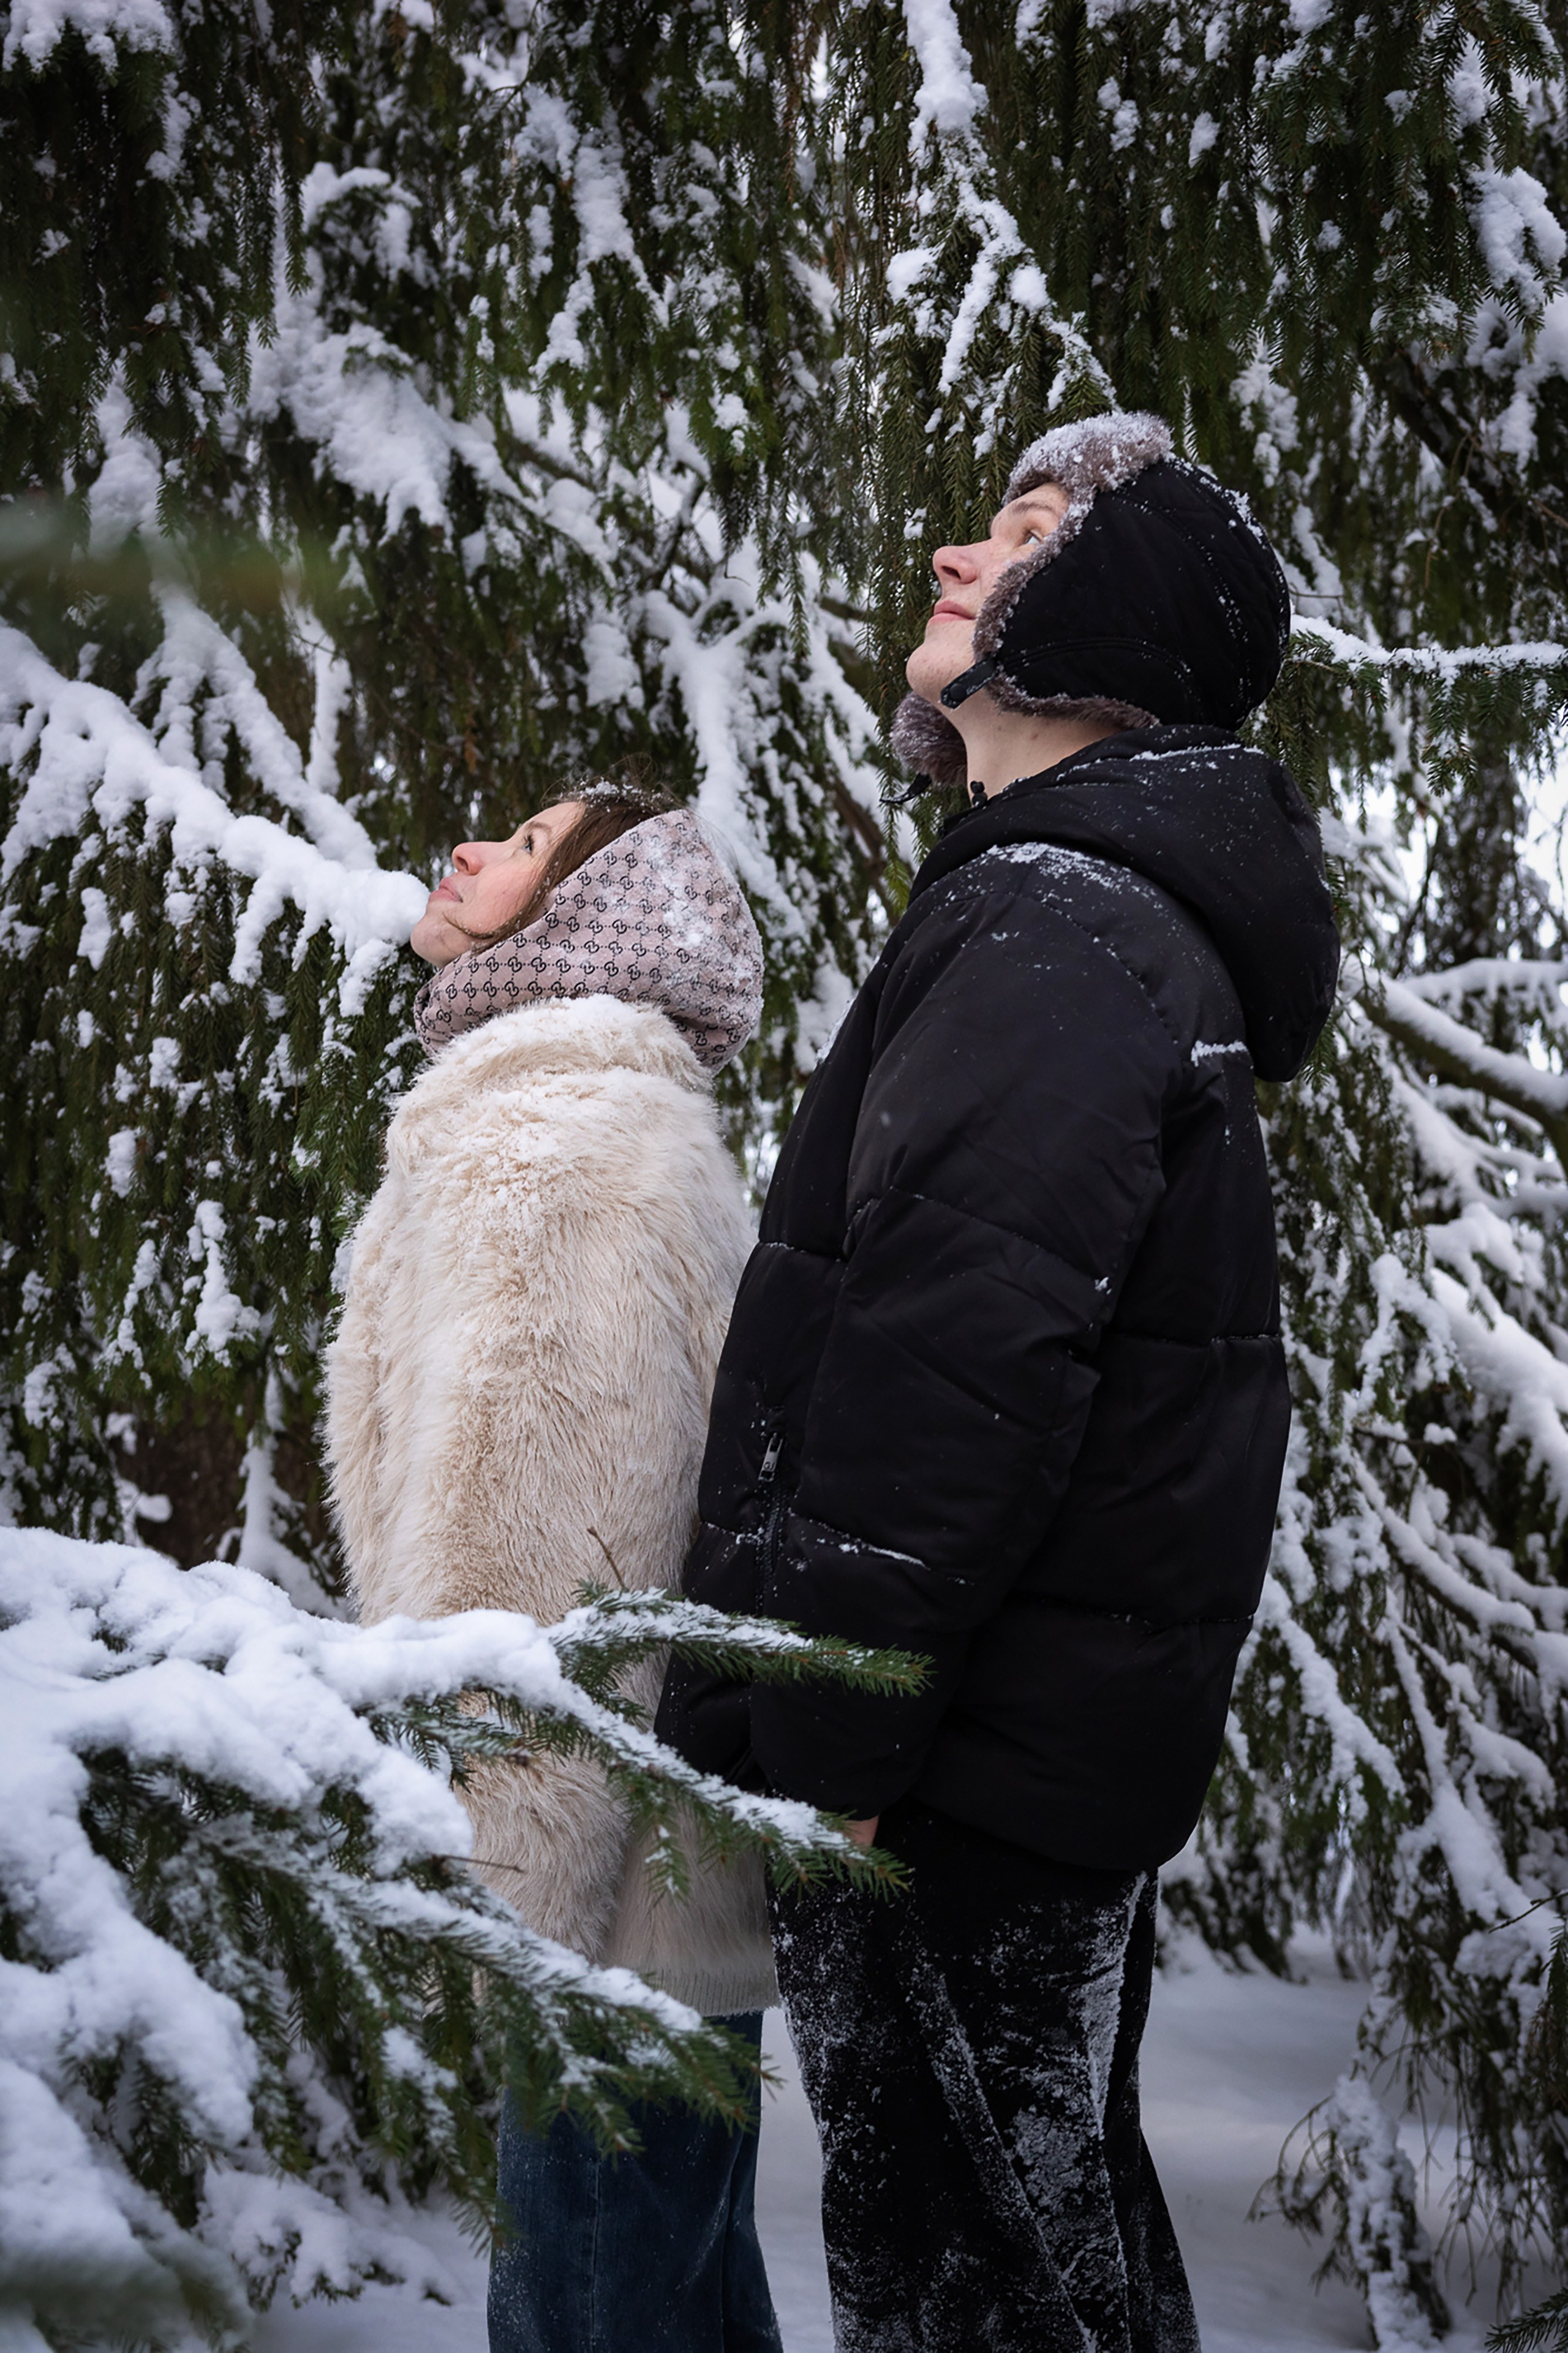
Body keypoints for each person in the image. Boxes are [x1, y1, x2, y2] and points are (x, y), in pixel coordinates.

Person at [656, 413, 1342, 2351]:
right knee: (1042, 2276)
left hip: (948, 1782)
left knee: (979, 2299)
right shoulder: (1074, 901)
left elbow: (960, 1362)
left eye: (1025, 537)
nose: (958, 561)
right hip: (1006, 1771)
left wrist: (843, 1747)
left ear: (1115, 619)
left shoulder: (1059, 919)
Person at [324, 776, 785, 2353]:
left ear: (596, 915)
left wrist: (496, 1905)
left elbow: (555, 1572)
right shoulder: (563, 1120)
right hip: (651, 1908)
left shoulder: (555, 1150)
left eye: (527, 846)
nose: (464, 848)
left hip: (593, 1922)